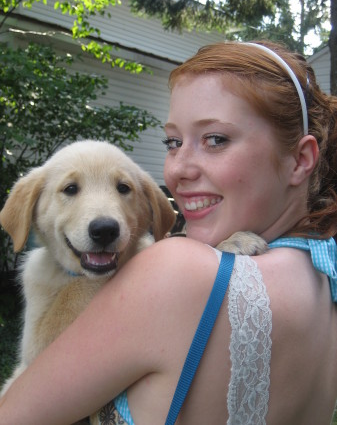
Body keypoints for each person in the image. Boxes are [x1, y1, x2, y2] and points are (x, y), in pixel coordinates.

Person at [1, 40, 337, 425]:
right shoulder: (323, 278)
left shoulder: (174, 272)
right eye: (173, 142)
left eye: (215, 139)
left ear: (301, 159)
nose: (178, 170)